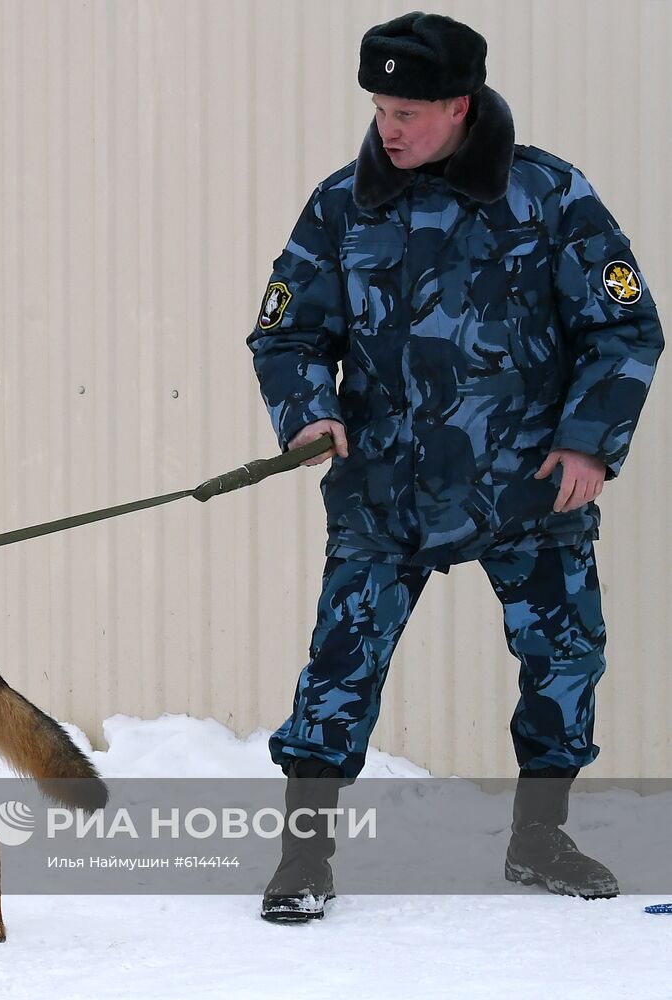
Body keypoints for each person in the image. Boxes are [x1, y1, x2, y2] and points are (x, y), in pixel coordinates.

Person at [247, 11, 663, 922]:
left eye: (408, 110)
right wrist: (309, 408)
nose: (387, 127)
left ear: (460, 105)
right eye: (379, 107)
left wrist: (590, 441)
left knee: (565, 657)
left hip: (531, 486)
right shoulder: (341, 204)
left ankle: (541, 837)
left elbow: (624, 328)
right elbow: (287, 332)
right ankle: (305, 855)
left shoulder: (550, 196)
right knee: (340, 665)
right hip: (385, 490)